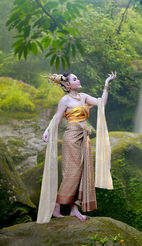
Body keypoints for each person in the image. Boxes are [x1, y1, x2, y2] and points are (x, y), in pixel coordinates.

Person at [37, 72, 116, 223]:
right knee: (72, 172)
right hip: (71, 137)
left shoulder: (84, 97)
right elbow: (57, 118)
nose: (78, 80)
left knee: (83, 172)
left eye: (77, 78)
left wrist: (107, 84)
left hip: (84, 138)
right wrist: (47, 130)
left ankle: (74, 209)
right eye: (75, 79)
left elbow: (102, 104)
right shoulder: (65, 100)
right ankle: (57, 205)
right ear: (67, 85)